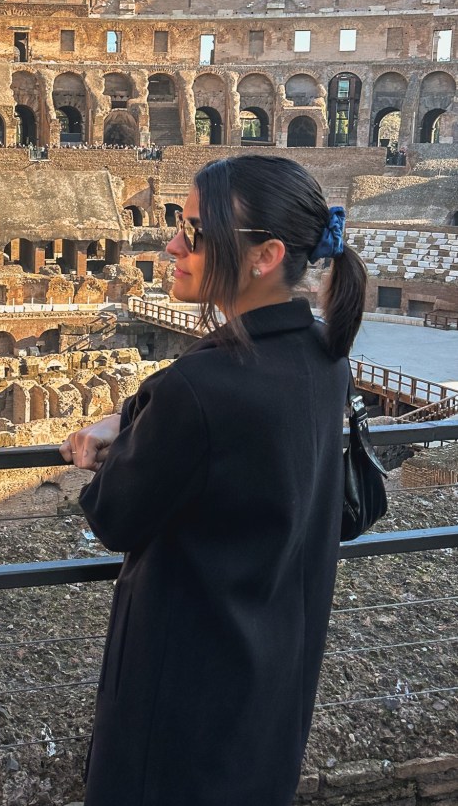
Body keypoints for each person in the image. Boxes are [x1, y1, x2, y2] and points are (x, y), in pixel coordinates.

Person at [60, 155, 367, 806]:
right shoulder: (321, 356)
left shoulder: (198, 390)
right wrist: (141, 411)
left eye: (193, 231)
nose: (171, 243)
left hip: (179, 714)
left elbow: (112, 515)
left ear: (263, 255)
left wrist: (114, 435)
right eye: (177, 222)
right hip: (271, 690)